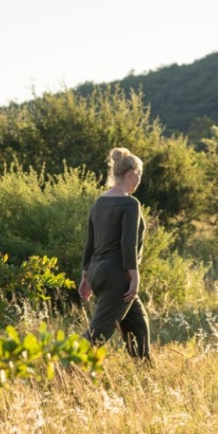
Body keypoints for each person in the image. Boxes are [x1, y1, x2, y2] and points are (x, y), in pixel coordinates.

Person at [78, 147, 150, 359]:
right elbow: (128, 245)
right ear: (130, 174)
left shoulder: (100, 202)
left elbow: (90, 242)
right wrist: (135, 278)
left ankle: (145, 371)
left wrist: (85, 276)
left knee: (138, 322)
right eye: (139, 175)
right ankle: (63, 368)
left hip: (97, 271)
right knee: (98, 333)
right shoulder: (130, 204)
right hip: (117, 275)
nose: (139, 180)